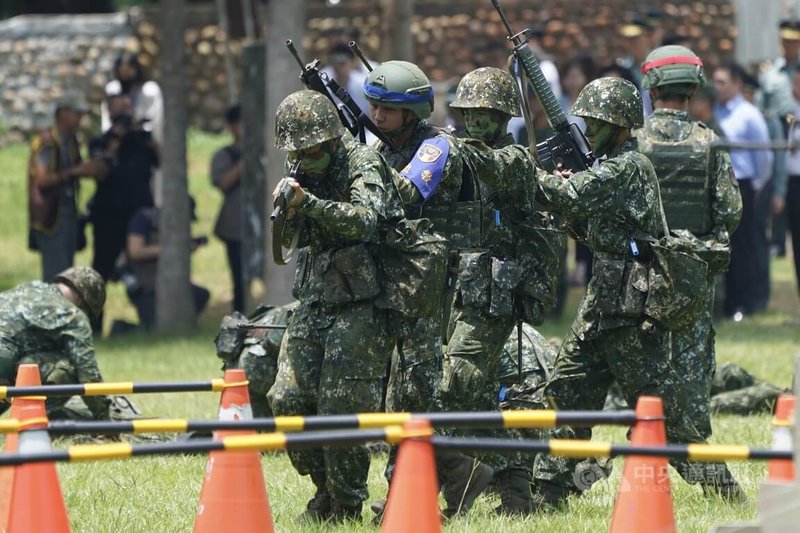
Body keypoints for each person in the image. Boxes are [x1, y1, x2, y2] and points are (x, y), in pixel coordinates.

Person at [470, 77, 746, 508]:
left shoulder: (629, 167)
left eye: (598, 124)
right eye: (587, 123)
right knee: (566, 394)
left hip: (635, 312)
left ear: (621, 126)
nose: (590, 131)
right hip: (603, 303)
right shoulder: (607, 166)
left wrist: (526, 170)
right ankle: (550, 491)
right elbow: (582, 221)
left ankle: (724, 490)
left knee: (664, 415)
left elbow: (572, 194)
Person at [266, 90, 406, 524]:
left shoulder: (363, 163)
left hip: (361, 303)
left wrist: (309, 203)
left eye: (308, 152)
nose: (301, 161)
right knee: (286, 399)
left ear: (329, 140)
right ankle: (324, 489)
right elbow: (295, 239)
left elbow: (366, 220)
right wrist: (287, 209)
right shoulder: (303, 167)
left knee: (339, 409)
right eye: (295, 153)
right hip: (315, 298)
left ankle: (344, 506)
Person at [362, 60, 494, 517]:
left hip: (438, 285)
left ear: (412, 111)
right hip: (400, 282)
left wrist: (357, 170)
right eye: (373, 106)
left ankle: (418, 487)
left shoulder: (437, 148)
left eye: (388, 109)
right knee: (401, 390)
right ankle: (454, 473)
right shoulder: (382, 148)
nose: (377, 116)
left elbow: (404, 194)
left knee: (416, 390)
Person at [442, 66, 564, 515]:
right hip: (456, 292)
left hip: (493, 296)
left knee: (454, 387)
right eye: (468, 113)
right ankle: (516, 497)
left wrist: (447, 145)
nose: (474, 122)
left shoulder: (512, 159)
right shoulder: (456, 154)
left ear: (503, 118)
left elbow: (488, 165)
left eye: (485, 115)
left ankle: (462, 475)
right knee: (480, 394)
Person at [635, 44, 743, 476]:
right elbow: (730, 211)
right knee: (693, 366)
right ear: (694, 86)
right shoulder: (709, 142)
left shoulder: (636, 142)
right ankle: (697, 452)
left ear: (651, 84)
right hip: (693, 275)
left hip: (641, 275)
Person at [0, 267, 111, 420]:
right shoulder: (73, 315)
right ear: (83, 301)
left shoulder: (29, 288)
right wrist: (106, 422)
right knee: (68, 368)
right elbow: (89, 375)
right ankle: (32, 419)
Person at [713, 63, 773, 319]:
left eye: (722, 82)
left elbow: (764, 156)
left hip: (744, 185)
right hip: (719, 187)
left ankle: (746, 302)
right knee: (723, 245)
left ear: (737, 84)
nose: (717, 88)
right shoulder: (713, 112)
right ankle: (727, 302)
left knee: (745, 245)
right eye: (714, 82)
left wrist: (756, 186)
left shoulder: (749, 114)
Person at [28, 94, 105, 281]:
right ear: (63, 113)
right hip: (51, 217)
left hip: (69, 214)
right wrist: (76, 171)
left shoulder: (71, 141)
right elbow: (42, 180)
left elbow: (76, 169)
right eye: (77, 113)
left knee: (66, 271)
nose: (80, 118)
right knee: (55, 276)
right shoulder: (47, 141)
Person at [89, 94, 159, 291]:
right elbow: (100, 171)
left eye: (129, 109)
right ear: (110, 112)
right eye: (121, 110)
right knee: (101, 268)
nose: (126, 114)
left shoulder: (141, 140)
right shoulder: (100, 142)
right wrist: (116, 138)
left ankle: (148, 312)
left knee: (144, 267)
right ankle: (96, 320)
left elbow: (159, 161)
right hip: (109, 215)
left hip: (139, 212)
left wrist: (144, 135)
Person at [124, 203, 210, 329]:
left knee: (200, 296)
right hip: (144, 286)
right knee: (153, 327)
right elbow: (136, 251)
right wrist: (173, 248)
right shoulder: (143, 219)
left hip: (171, 284)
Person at [101, 52, 165, 205]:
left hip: (143, 149)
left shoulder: (149, 91)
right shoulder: (113, 89)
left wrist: (138, 128)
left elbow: (153, 122)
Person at [214, 302, 297, 418]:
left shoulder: (287, 308)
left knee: (246, 424)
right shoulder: (304, 309)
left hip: (237, 366)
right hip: (258, 366)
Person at [210, 104, 245, 313]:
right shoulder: (224, 155)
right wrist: (244, 160)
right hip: (234, 226)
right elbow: (223, 183)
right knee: (239, 279)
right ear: (232, 127)